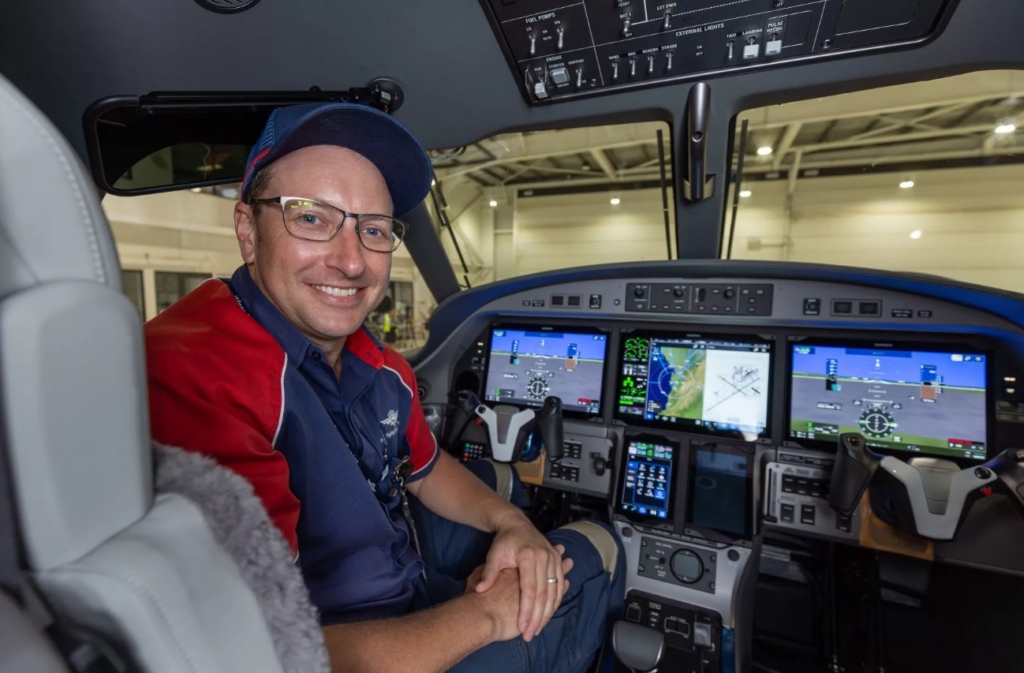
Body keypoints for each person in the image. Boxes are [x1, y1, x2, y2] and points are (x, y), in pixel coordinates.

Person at [144, 102, 624, 673]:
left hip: (400, 578)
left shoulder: (379, 363)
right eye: (312, 218)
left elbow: (422, 468)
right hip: (345, 645)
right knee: (598, 542)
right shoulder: (196, 372)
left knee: (511, 496)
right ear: (248, 231)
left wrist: (512, 523)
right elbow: (255, 653)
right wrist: (489, 613)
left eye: (372, 229)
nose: (351, 261)